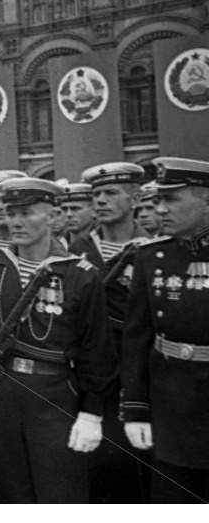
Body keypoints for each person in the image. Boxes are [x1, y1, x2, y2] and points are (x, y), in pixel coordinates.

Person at [0, 177, 117, 503]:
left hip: (56, 394)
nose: (16, 221)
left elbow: (96, 350)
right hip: (3, 391)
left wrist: (91, 412)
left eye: (28, 213)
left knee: (58, 491)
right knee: (8, 491)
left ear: (53, 216)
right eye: (11, 212)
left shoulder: (80, 275)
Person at [121, 157, 209, 503]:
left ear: (206, 199)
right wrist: (136, 407)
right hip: (170, 406)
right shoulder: (152, 257)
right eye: (157, 201)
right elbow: (137, 337)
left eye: (171, 200)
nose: (160, 210)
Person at [71, 162, 151, 503]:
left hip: (138, 380)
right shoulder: (77, 252)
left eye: (111, 193)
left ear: (134, 199)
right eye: (96, 194)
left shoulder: (154, 251)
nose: (100, 201)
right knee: (91, 472)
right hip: (87, 380)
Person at [60, 183, 95, 248]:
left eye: (75, 209)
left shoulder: (103, 244)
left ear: (93, 211)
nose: (69, 214)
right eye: (64, 209)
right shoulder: (56, 245)